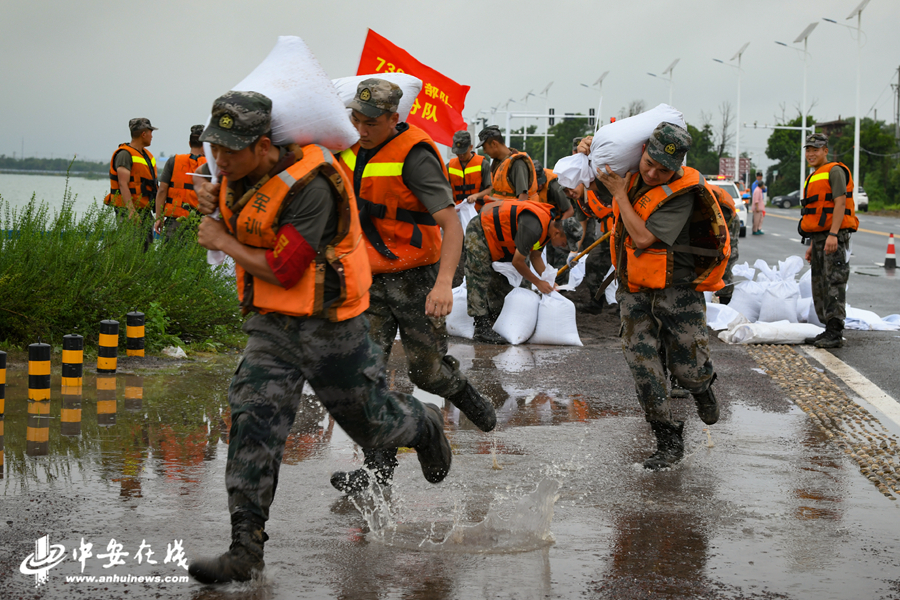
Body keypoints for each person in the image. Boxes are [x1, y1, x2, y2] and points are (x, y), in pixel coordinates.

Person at [188, 91, 452, 584]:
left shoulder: (312, 184)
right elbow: (250, 224)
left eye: (229, 150)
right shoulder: (234, 175)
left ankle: (424, 422)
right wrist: (215, 205)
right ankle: (245, 549)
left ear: (264, 145)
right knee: (253, 421)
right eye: (215, 148)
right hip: (271, 326)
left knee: (373, 427)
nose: (218, 159)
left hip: (330, 325)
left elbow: (285, 269)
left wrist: (221, 239)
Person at [331, 79, 496, 493]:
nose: (361, 127)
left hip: (417, 278)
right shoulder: (346, 148)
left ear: (393, 117)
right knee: (363, 378)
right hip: (369, 282)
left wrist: (443, 285)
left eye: (370, 121)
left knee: (426, 374)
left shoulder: (415, 156)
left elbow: (451, 226)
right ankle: (376, 472)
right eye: (355, 118)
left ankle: (460, 391)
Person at [593, 122, 729, 471]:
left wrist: (620, 196)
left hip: (677, 292)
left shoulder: (681, 193)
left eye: (663, 169)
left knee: (688, 368)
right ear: (641, 152)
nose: (653, 173)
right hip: (634, 291)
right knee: (644, 368)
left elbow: (642, 239)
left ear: (678, 167)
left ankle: (702, 387)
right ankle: (667, 438)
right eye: (649, 163)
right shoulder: (629, 174)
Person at [464, 199, 569, 344]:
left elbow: (536, 256)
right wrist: (538, 282)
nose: (563, 247)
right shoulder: (535, 228)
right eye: (564, 243)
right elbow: (518, 262)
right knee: (478, 275)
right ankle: (481, 326)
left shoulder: (547, 230)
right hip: (481, 229)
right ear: (557, 233)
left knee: (503, 281)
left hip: (501, 240)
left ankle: (496, 318)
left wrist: (549, 281)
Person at [800, 132, 858, 349]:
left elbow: (840, 204)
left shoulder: (834, 171)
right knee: (820, 283)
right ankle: (827, 328)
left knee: (834, 281)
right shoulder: (814, 175)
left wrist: (833, 234)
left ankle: (835, 331)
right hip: (820, 238)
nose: (811, 153)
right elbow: (817, 216)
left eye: (816, 149)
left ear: (826, 151)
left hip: (834, 236)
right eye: (808, 149)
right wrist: (813, 244)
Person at [103, 117, 158, 250]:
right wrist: (132, 212)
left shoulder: (146, 155)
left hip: (144, 210)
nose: (152, 136)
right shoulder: (125, 154)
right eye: (150, 132)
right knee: (129, 249)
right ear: (143, 134)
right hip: (129, 211)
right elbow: (123, 184)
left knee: (146, 251)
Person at [153, 125, 207, 240]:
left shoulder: (173, 161)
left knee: (170, 256)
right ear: (205, 145)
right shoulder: (211, 166)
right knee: (197, 257)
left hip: (174, 221)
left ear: (189, 143)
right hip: (201, 223)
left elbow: (162, 191)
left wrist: (159, 218)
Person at [477, 125, 539, 202]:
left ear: (494, 144)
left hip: (514, 212)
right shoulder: (498, 163)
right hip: (500, 211)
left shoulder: (517, 163)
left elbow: (523, 197)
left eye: (485, 147)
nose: (484, 152)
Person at [447, 130, 492, 210]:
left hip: (477, 211)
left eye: (464, 152)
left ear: (471, 147)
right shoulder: (449, 166)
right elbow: (443, 189)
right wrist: (450, 202)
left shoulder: (483, 164)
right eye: (458, 152)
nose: (461, 155)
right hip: (456, 210)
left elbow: (490, 189)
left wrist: (476, 195)